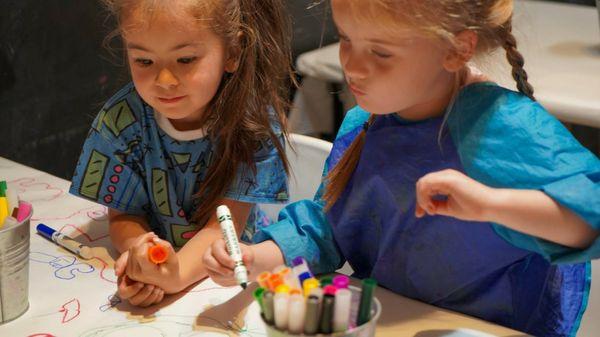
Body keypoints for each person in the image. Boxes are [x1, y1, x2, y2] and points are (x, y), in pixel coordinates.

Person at [203, 1, 600, 335]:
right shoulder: (366, 121)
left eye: (381, 52)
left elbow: (591, 218)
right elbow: (327, 229)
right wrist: (259, 258)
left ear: (457, 49)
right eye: (345, 39)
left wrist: (491, 205)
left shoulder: (504, 126)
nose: (353, 67)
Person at [70, 0, 294, 307]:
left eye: (186, 59)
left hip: (232, 280)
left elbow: (223, 228)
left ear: (231, 52)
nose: (165, 81)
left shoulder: (251, 125)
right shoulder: (121, 123)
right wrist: (142, 254)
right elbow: (124, 215)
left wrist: (173, 277)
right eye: (144, 61)